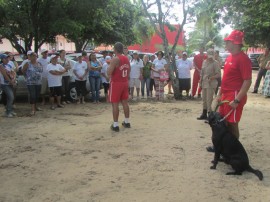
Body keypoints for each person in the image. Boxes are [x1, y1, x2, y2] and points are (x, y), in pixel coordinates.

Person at [216, 30, 252, 140]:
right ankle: (223, 147)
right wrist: (219, 94)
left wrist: (237, 100)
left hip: (234, 94)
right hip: (225, 94)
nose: (226, 44)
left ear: (235, 43)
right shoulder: (229, 57)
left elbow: (247, 81)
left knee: (232, 123)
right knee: (224, 121)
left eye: (228, 41)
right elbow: (226, 78)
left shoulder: (243, 59)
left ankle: (234, 149)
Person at [107, 42, 131, 132]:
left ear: (115, 49)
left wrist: (109, 66)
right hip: (124, 82)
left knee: (115, 103)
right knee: (125, 102)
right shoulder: (126, 58)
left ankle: (115, 125)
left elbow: (109, 72)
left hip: (116, 83)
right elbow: (129, 70)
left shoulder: (115, 59)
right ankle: (127, 122)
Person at [197, 49, 220, 120]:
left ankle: (210, 115)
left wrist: (212, 77)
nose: (210, 58)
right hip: (204, 82)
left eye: (211, 56)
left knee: (209, 99)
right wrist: (200, 81)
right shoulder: (204, 62)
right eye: (209, 56)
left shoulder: (215, 63)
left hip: (211, 84)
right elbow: (202, 72)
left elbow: (218, 74)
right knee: (204, 99)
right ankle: (204, 113)